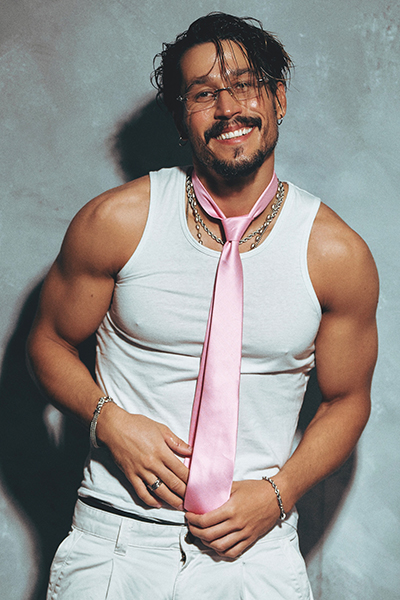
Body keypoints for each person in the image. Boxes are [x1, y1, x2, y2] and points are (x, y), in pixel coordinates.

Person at [27, 12, 378, 600]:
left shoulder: (335, 254)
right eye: (204, 94)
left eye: (245, 85)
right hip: (118, 543)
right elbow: (47, 342)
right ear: (181, 117)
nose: (228, 108)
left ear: (278, 99)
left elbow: (348, 400)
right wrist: (107, 419)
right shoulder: (116, 222)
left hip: (253, 551)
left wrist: (280, 493)